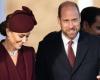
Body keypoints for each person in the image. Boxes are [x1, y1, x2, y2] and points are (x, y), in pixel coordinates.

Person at [36, 1, 100, 80]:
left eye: (74, 20)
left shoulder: (96, 44)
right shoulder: (46, 46)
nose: (71, 26)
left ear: (80, 18)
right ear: (59, 20)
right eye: (66, 21)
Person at [0, 6, 37, 80]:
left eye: (27, 36)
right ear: (8, 32)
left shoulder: (29, 53)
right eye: (21, 36)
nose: (24, 40)